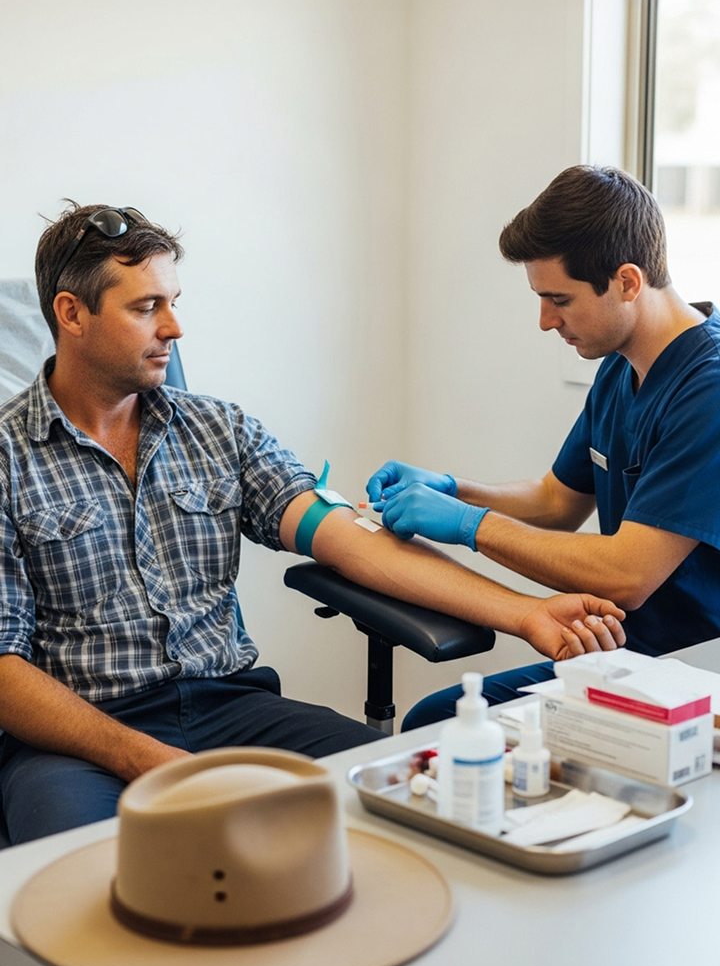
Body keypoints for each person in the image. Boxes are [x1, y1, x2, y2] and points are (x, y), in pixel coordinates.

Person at [0, 201, 625, 844]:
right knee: (77, 877)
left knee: (402, 810)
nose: (175, 328)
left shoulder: (219, 429)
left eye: (173, 301)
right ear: (71, 314)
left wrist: (525, 613)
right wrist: (148, 760)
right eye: (145, 308)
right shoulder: (6, 460)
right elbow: (3, 669)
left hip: (231, 710)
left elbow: (353, 543)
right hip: (78, 740)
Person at [366, 164, 720, 727]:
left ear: (627, 282)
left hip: (691, 673)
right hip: (624, 656)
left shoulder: (708, 390)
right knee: (439, 720)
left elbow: (627, 575)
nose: (545, 320)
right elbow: (558, 499)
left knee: (438, 728)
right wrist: (451, 487)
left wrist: (467, 523)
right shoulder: (621, 365)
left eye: (560, 299)